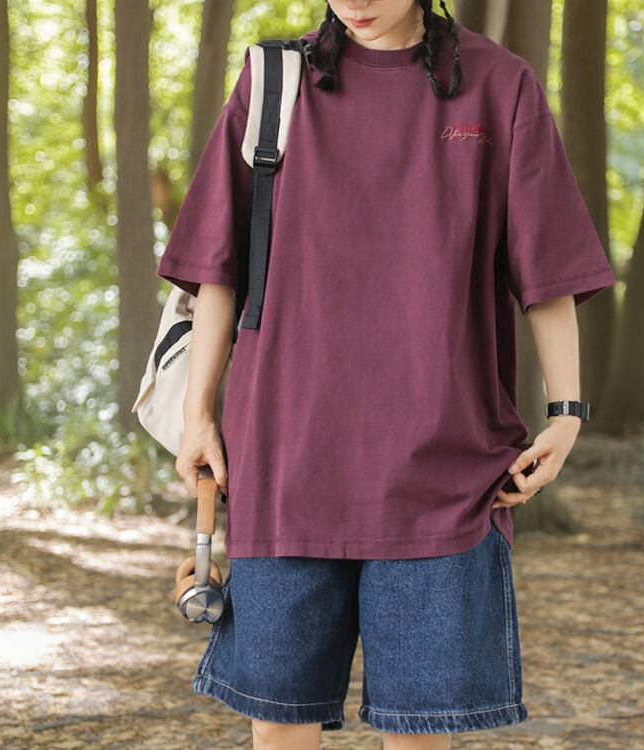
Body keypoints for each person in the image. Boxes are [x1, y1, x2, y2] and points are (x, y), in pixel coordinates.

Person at [156, 0, 616, 747]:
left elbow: (549, 269)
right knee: (279, 726)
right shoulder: (272, 80)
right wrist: (198, 414)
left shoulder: (500, 85)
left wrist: (567, 413)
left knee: (420, 730)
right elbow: (217, 266)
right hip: (285, 458)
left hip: (444, 471)